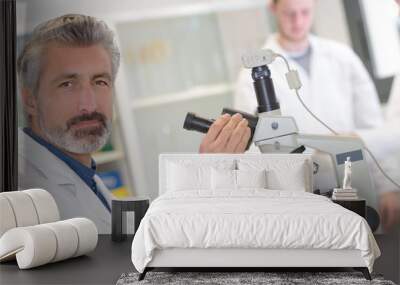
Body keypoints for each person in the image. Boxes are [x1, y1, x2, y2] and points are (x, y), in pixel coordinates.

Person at [18, 14, 250, 234]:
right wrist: (205, 178)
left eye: (100, 81)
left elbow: (139, 243)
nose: (88, 105)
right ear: (31, 101)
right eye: (67, 84)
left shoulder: (83, 174)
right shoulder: (24, 193)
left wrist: (205, 176)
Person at [234, 0, 400, 231]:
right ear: (273, 9)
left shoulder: (342, 57)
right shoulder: (253, 76)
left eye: (305, 12)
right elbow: (255, 146)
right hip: (305, 196)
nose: (298, 21)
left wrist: (387, 186)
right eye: (290, 14)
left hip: (359, 182)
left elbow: (373, 128)